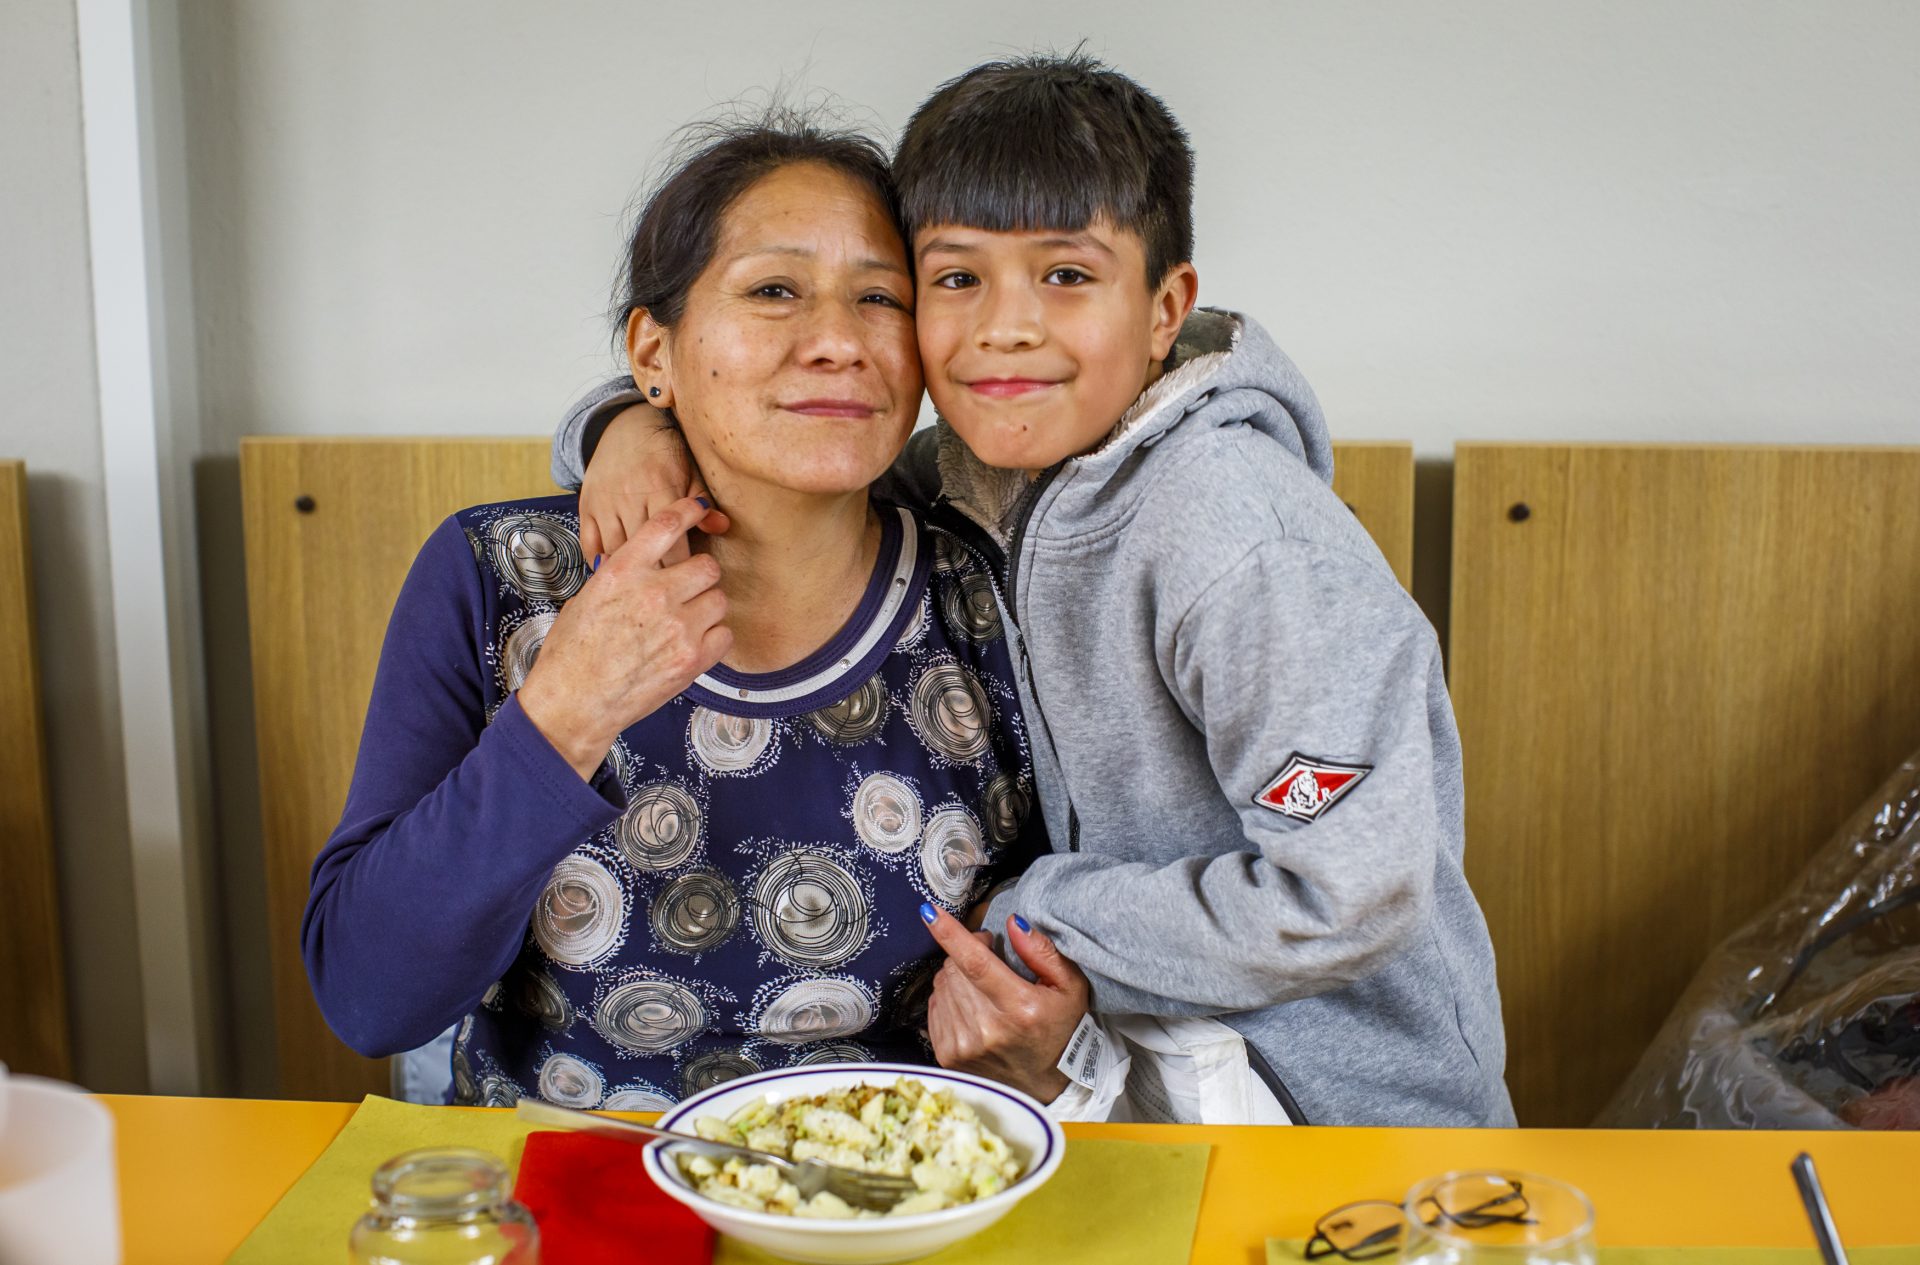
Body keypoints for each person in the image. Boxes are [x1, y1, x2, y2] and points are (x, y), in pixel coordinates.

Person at [554, 55, 1515, 1127]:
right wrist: (623, 427)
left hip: (1350, 1118)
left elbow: (1349, 892)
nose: (1006, 327)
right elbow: (766, 432)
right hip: (1137, 1083)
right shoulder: (975, 477)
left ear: (1166, 308)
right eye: (957, 279)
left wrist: (1036, 911)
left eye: (1067, 275)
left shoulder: (1243, 537)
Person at [302, 115, 1055, 1109]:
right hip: (565, 1195)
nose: (837, 341)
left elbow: (1054, 934)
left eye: (881, 297)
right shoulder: (502, 578)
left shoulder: (992, 601)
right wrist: (562, 712)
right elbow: (368, 996)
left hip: (889, 1192)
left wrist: (1047, 1027)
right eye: (775, 290)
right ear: (652, 352)